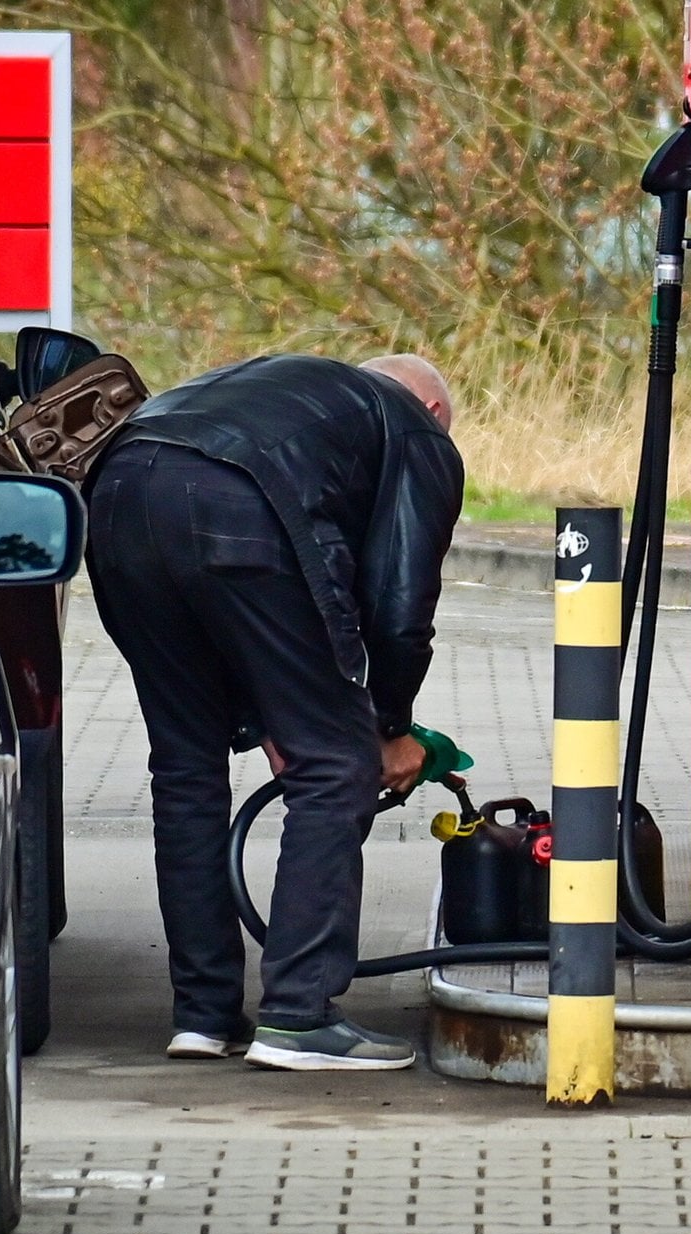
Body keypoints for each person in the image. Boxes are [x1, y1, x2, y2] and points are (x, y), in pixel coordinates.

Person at [85, 352, 464, 1071]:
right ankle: (298, 1015)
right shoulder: (417, 428)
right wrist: (385, 728)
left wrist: (268, 719)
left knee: (186, 768)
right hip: (236, 503)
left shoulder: (295, 394)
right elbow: (400, 602)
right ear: (436, 411)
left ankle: (203, 1016)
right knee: (335, 767)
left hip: (117, 493)